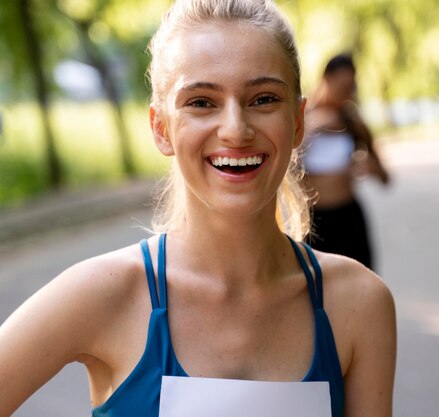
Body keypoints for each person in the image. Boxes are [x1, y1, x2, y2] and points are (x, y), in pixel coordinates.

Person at [0, 1, 397, 416]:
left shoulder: (357, 304)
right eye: (201, 102)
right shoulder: (105, 293)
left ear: (298, 120)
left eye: (263, 98)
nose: (235, 130)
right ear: (161, 128)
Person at [301, 54, 390, 270]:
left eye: (351, 87)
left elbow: (385, 177)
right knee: (316, 291)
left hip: (349, 217)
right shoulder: (302, 119)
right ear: (326, 79)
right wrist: (309, 132)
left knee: (362, 286)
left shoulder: (353, 122)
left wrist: (370, 166)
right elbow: (283, 169)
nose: (346, 94)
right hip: (314, 222)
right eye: (341, 87)